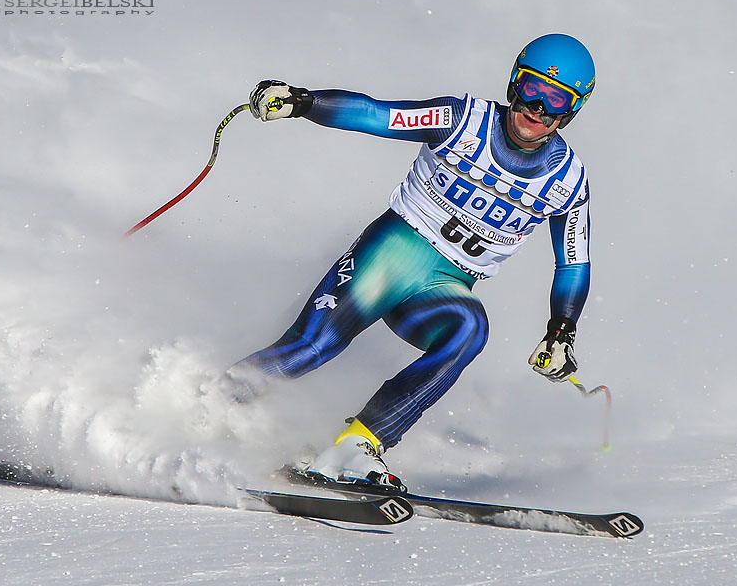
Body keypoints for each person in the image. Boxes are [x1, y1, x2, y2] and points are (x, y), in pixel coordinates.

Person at [229, 34, 595, 491]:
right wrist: (303, 102)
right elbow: (376, 114)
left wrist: (561, 330)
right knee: (314, 346)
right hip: (391, 256)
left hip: (443, 287)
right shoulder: (462, 120)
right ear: (514, 84)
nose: (537, 109)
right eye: (532, 89)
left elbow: (574, 263)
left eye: (556, 100)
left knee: (470, 330)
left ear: (571, 111)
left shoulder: (568, 180)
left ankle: (358, 444)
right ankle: (211, 404)